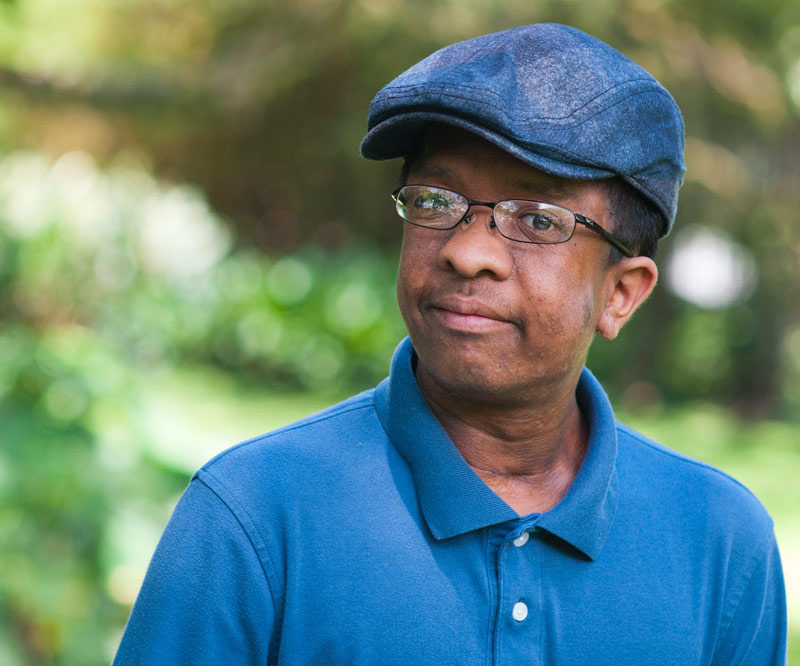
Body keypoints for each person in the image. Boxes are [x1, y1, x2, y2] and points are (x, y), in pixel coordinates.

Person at [114, 24, 787, 665]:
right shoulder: (256, 516)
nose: (467, 252)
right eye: (436, 201)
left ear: (621, 294)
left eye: (537, 219)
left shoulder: (721, 546)